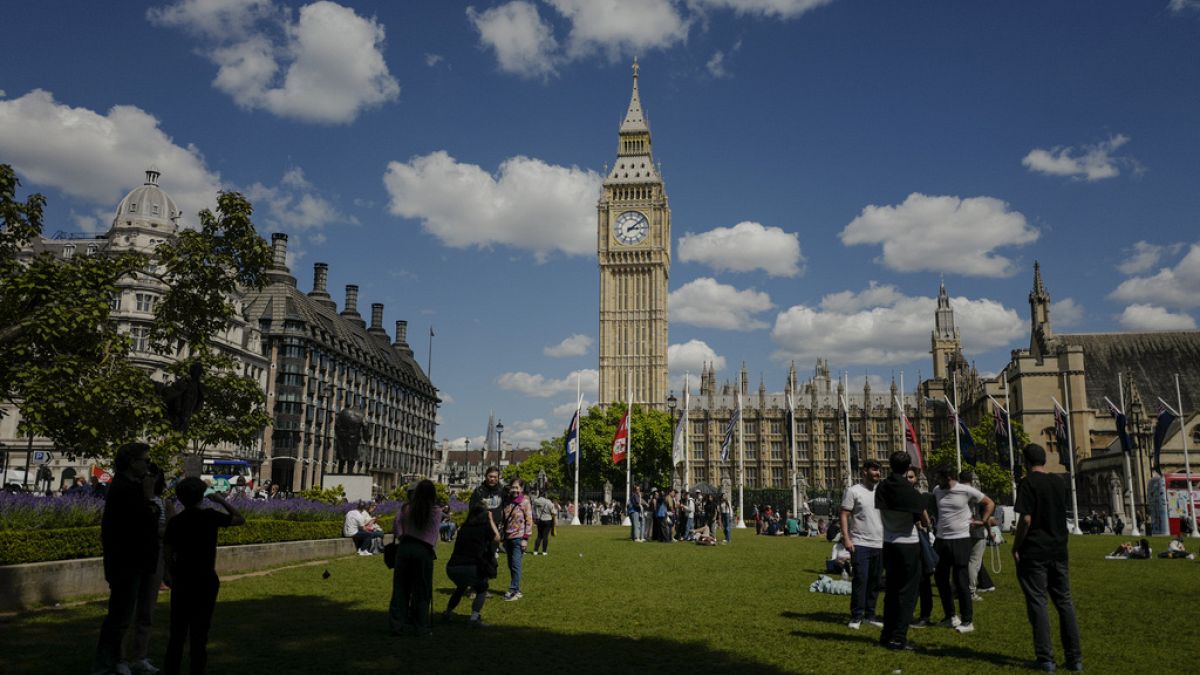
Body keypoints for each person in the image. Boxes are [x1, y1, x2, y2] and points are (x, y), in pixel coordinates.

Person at [162, 477, 245, 675]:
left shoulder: (176, 522)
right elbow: (239, 519)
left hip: (182, 579)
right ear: (202, 496)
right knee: (200, 633)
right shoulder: (209, 516)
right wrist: (221, 500)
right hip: (205, 579)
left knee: (177, 632)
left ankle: (172, 669)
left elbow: (167, 551)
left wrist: (169, 572)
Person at [92, 442, 162, 675]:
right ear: (132, 462)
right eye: (145, 460)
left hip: (138, 560)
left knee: (131, 613)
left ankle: (120, 660)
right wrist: (150, 497)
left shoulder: (131, 485)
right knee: (120, 617)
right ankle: (107, 664)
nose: (148, 464)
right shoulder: (124, 488)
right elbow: (146, 518)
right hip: (127, 561)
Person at [1012, 444, 1082, 672]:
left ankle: (1045, 659)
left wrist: (1016, 546)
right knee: (1065, 603)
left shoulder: (1027, 483)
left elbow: (1026, 520)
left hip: (1035, 551)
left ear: (1025, 461)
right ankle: (1075, 659)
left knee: (1038, 603)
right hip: (1059, 550)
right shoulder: (1059, 482)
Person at [874, 451, 931, 652]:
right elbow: (923, 521)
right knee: (907, 593)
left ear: (889, 465)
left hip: (888, 543)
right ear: (908, 468)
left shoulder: (882, 487)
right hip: (908, 544)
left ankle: (886, 634)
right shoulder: (910, 491)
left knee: (891, 591)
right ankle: (899, 637)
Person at [932, 466, 994, 634]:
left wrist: (983, 520)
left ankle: (967, 620)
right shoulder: (937, 490)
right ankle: (950, 617)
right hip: (941, 540)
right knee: (941, 579)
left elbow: (989, 503)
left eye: (940, 477)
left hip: (960, 539)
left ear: (949, 477)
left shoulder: (965, 490)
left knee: (960, 580)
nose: (937, 481)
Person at [129, 463, 172, 675]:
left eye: (152, 476)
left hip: (156, 558)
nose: (149, 480)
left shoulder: (165, 503)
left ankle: (139, 655)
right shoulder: (134, 501)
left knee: (146, 610)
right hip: (135, 557)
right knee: (124, 611)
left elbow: (172, 532)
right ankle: (118, 656)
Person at [390, 479, 439, 636]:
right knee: (422, 591)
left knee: (401, 588)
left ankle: (397, 625)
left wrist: (402, 537)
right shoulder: (435, 511)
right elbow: (433, 534)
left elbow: (396, 526)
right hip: (423, 550)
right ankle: (421, 627)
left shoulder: (406, 509)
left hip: (405, 548)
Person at [841, 459, 884, 631]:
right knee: (861, 580)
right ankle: (857, 615)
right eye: (874, 470)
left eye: (879, 470)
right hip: (860, 542)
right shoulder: (853, 491)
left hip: (880, 542)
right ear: (864, 471)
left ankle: (870, 615)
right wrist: (846, 538)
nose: (878, 473)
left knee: (875, 582)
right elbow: (844, 514)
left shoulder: (882, 492)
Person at [442, 504, 500, 627]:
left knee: (461, 587)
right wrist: (491, 520)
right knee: (482, 588)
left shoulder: (464, 528)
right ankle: (474, 618)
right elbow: (497, 538)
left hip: (452, 567)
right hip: (471, 566)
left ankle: (447, 612)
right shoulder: (484, 528)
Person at [959, 470, 997, 598]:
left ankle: (958, 589)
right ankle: (970, 590)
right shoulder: (978, 494)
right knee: (974, 562)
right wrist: (989, 530)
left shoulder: (957, 493)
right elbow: (987, 512)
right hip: (977, 530)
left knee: (961, 562)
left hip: (961, 531)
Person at [501, 478, 533, 600]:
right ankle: (516, 589)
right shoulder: (507, 500)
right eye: (513, 487)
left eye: (517, 488)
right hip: (508, 537)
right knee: (511, 564)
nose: (514, 490)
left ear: (522, 489)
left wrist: (526, 538)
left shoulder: (524, 502)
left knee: (515, 564)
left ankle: (514, 590)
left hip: (519, 537)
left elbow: (529, 520)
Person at [531, 490, 556, 555]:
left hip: (539, 520)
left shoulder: (536, 501)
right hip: (548, 520)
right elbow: (553, 512)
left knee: (539, 536)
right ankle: (544, 551)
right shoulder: (548, 502)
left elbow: (533, 509)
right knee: (545, 536)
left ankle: (535, 551)